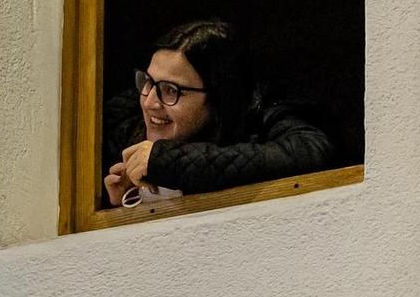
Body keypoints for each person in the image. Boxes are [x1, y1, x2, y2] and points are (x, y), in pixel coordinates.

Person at [103, 20, 335, 206]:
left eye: (171, 90)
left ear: (217, 100)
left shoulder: (265, 116)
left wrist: (164, 162)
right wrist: (125, 199)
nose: (150, 102)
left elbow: (310, 150)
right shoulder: (124, 124)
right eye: (148, 82)